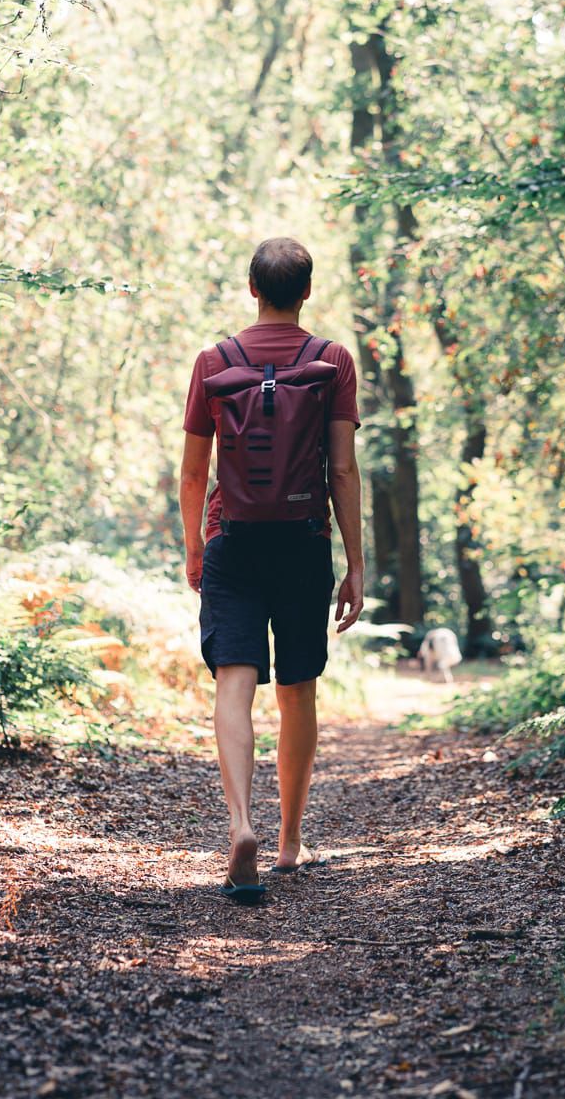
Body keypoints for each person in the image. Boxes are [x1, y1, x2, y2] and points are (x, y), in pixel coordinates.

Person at [179, 236, 364, 902]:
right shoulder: (332, 360)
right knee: (298, 689)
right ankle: (288, 841)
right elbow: (342, 468)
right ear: (306, 292)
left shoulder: (214, 361)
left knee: (235, 680)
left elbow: (194, 471)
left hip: (234, 539)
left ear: (252, 289)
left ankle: (239, 826)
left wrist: (196, 548)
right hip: (304, 542)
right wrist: (356, 565)